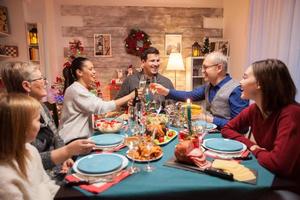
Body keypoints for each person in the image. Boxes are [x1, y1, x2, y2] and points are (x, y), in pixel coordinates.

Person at [1, 62, 95, 183]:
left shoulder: (41, 106)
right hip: (41, 180)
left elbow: (56, 137)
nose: (45, 82)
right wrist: (66, 152)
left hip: (58, 170)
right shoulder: (14, 118)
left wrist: (64, 158)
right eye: (41, 78)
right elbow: (28, 161)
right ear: (26, 85)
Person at [221, 59, 300, 183]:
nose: (240, 82)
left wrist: (256, 150)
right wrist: (251, 145)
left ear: (259, 84)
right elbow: (227, 128)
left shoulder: (291, 114)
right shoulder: (254, 109)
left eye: (245, 77)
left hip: (289, 184)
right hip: (271, 173)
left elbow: (279, 164)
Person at [153, 51, 249, 128]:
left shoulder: (237, 90)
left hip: (229, 140)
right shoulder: (209, 86)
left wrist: (208, 119)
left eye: (205, 67)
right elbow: (189, 95)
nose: (202, 71)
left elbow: (240, 127)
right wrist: (165, 91)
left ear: (219, 68)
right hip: (209, 133)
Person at [59, 57, 136, 144]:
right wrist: (130, 96)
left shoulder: (79, 88)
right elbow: (102, 107)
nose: (94, 71)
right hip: (72, 141)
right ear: (79, 72)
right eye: (90, 69)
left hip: (81, 138)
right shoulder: (76, 90)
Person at [0, 93, 59, 199]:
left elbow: (46, 183)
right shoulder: (4, 178)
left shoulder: (31, 150)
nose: (40, 124)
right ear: (22, 126)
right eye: (37, 120)